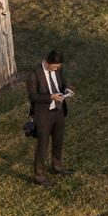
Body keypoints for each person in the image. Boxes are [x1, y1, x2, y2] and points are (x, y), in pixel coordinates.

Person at [26, 49, 72, 184]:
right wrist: (50, 97)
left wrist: (67, 90)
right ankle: (39, 175)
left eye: (59, 67)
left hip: (59, 111)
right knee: (42, 145)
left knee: (58, 141)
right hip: (43, 115)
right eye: (55, 67)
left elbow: (62, 84)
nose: (57, 69)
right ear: (47, 63)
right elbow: (32, 96)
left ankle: (57, 166)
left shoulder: (58, 69)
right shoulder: (34, 74)